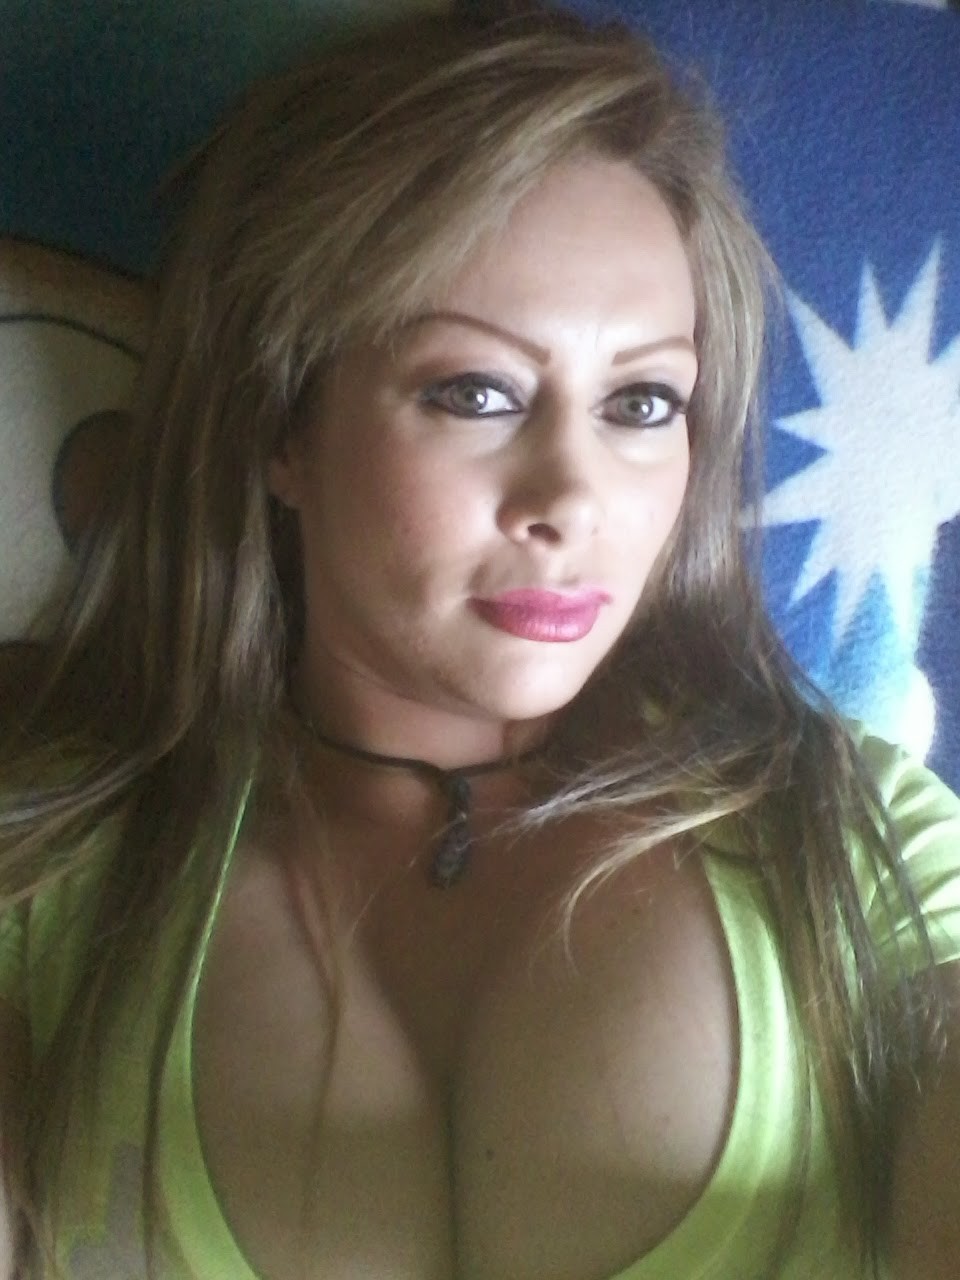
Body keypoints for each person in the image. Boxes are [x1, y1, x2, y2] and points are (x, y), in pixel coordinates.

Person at [1, 5, 959, 1278]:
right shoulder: (49, 878)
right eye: (477, 391)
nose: (570, 496)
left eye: (642, 401)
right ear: (283, 424)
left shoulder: (863, 848)